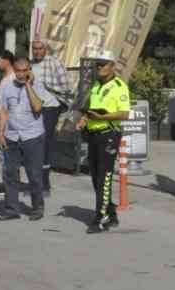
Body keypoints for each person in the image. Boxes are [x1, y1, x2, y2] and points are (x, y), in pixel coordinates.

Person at [80, 50, 131, 233]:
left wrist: (103, 117)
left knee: (104, 177)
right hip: (93, 134)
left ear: (112, 66)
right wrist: (85, 119)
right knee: (95, 178)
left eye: (103, 64)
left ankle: (100, 219)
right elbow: (92, 110)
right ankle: (111, 212)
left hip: (108, 134)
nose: (99, 68)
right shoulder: (96, 85)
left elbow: (124, 114)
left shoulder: (119, 86)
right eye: (97, 65)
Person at [0, 55, 45, 220]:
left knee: (34, 174)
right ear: (14, 71)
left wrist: (28, 86)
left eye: (25, 71)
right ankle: (12, 210)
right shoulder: (7, 86)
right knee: (10, 173)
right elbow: (3, 111)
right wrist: (1, 133)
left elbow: (38, 107)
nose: (21, 74)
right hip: (12, 136)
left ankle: (37, 208)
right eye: (18, 71)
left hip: (32, 136)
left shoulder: (37, 85)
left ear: (29, 70)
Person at [30, 38, 73, 192]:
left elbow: (67, 85)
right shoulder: (29, 65)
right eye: (34, 48)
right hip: (34, 109)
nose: (37, 51)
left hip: (50, 108)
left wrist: (60, 102)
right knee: (34, 143)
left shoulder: (54, 63)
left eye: (40, 48)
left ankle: (44, 183)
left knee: (45, 142)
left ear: (45, 49)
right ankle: (36, 181)